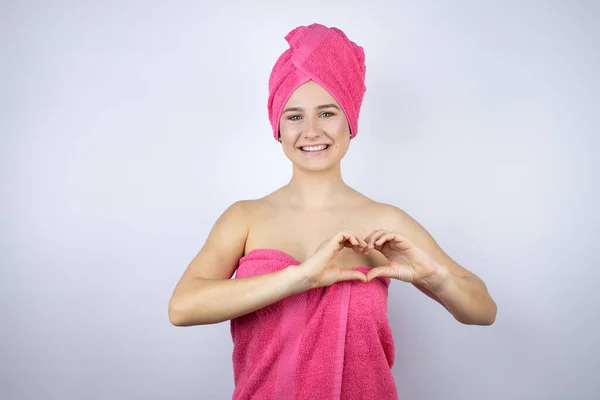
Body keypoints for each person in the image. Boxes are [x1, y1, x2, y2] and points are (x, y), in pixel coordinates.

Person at [169, 23, 497, 400]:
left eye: (327, 113)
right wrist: (300, 278)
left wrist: (436, 278)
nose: (311, 131)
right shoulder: (244, 218)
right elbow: (183, 307)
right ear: (277, 127)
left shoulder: (386, 222)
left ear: (350, 121)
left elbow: (483, 310)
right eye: (294, 116)